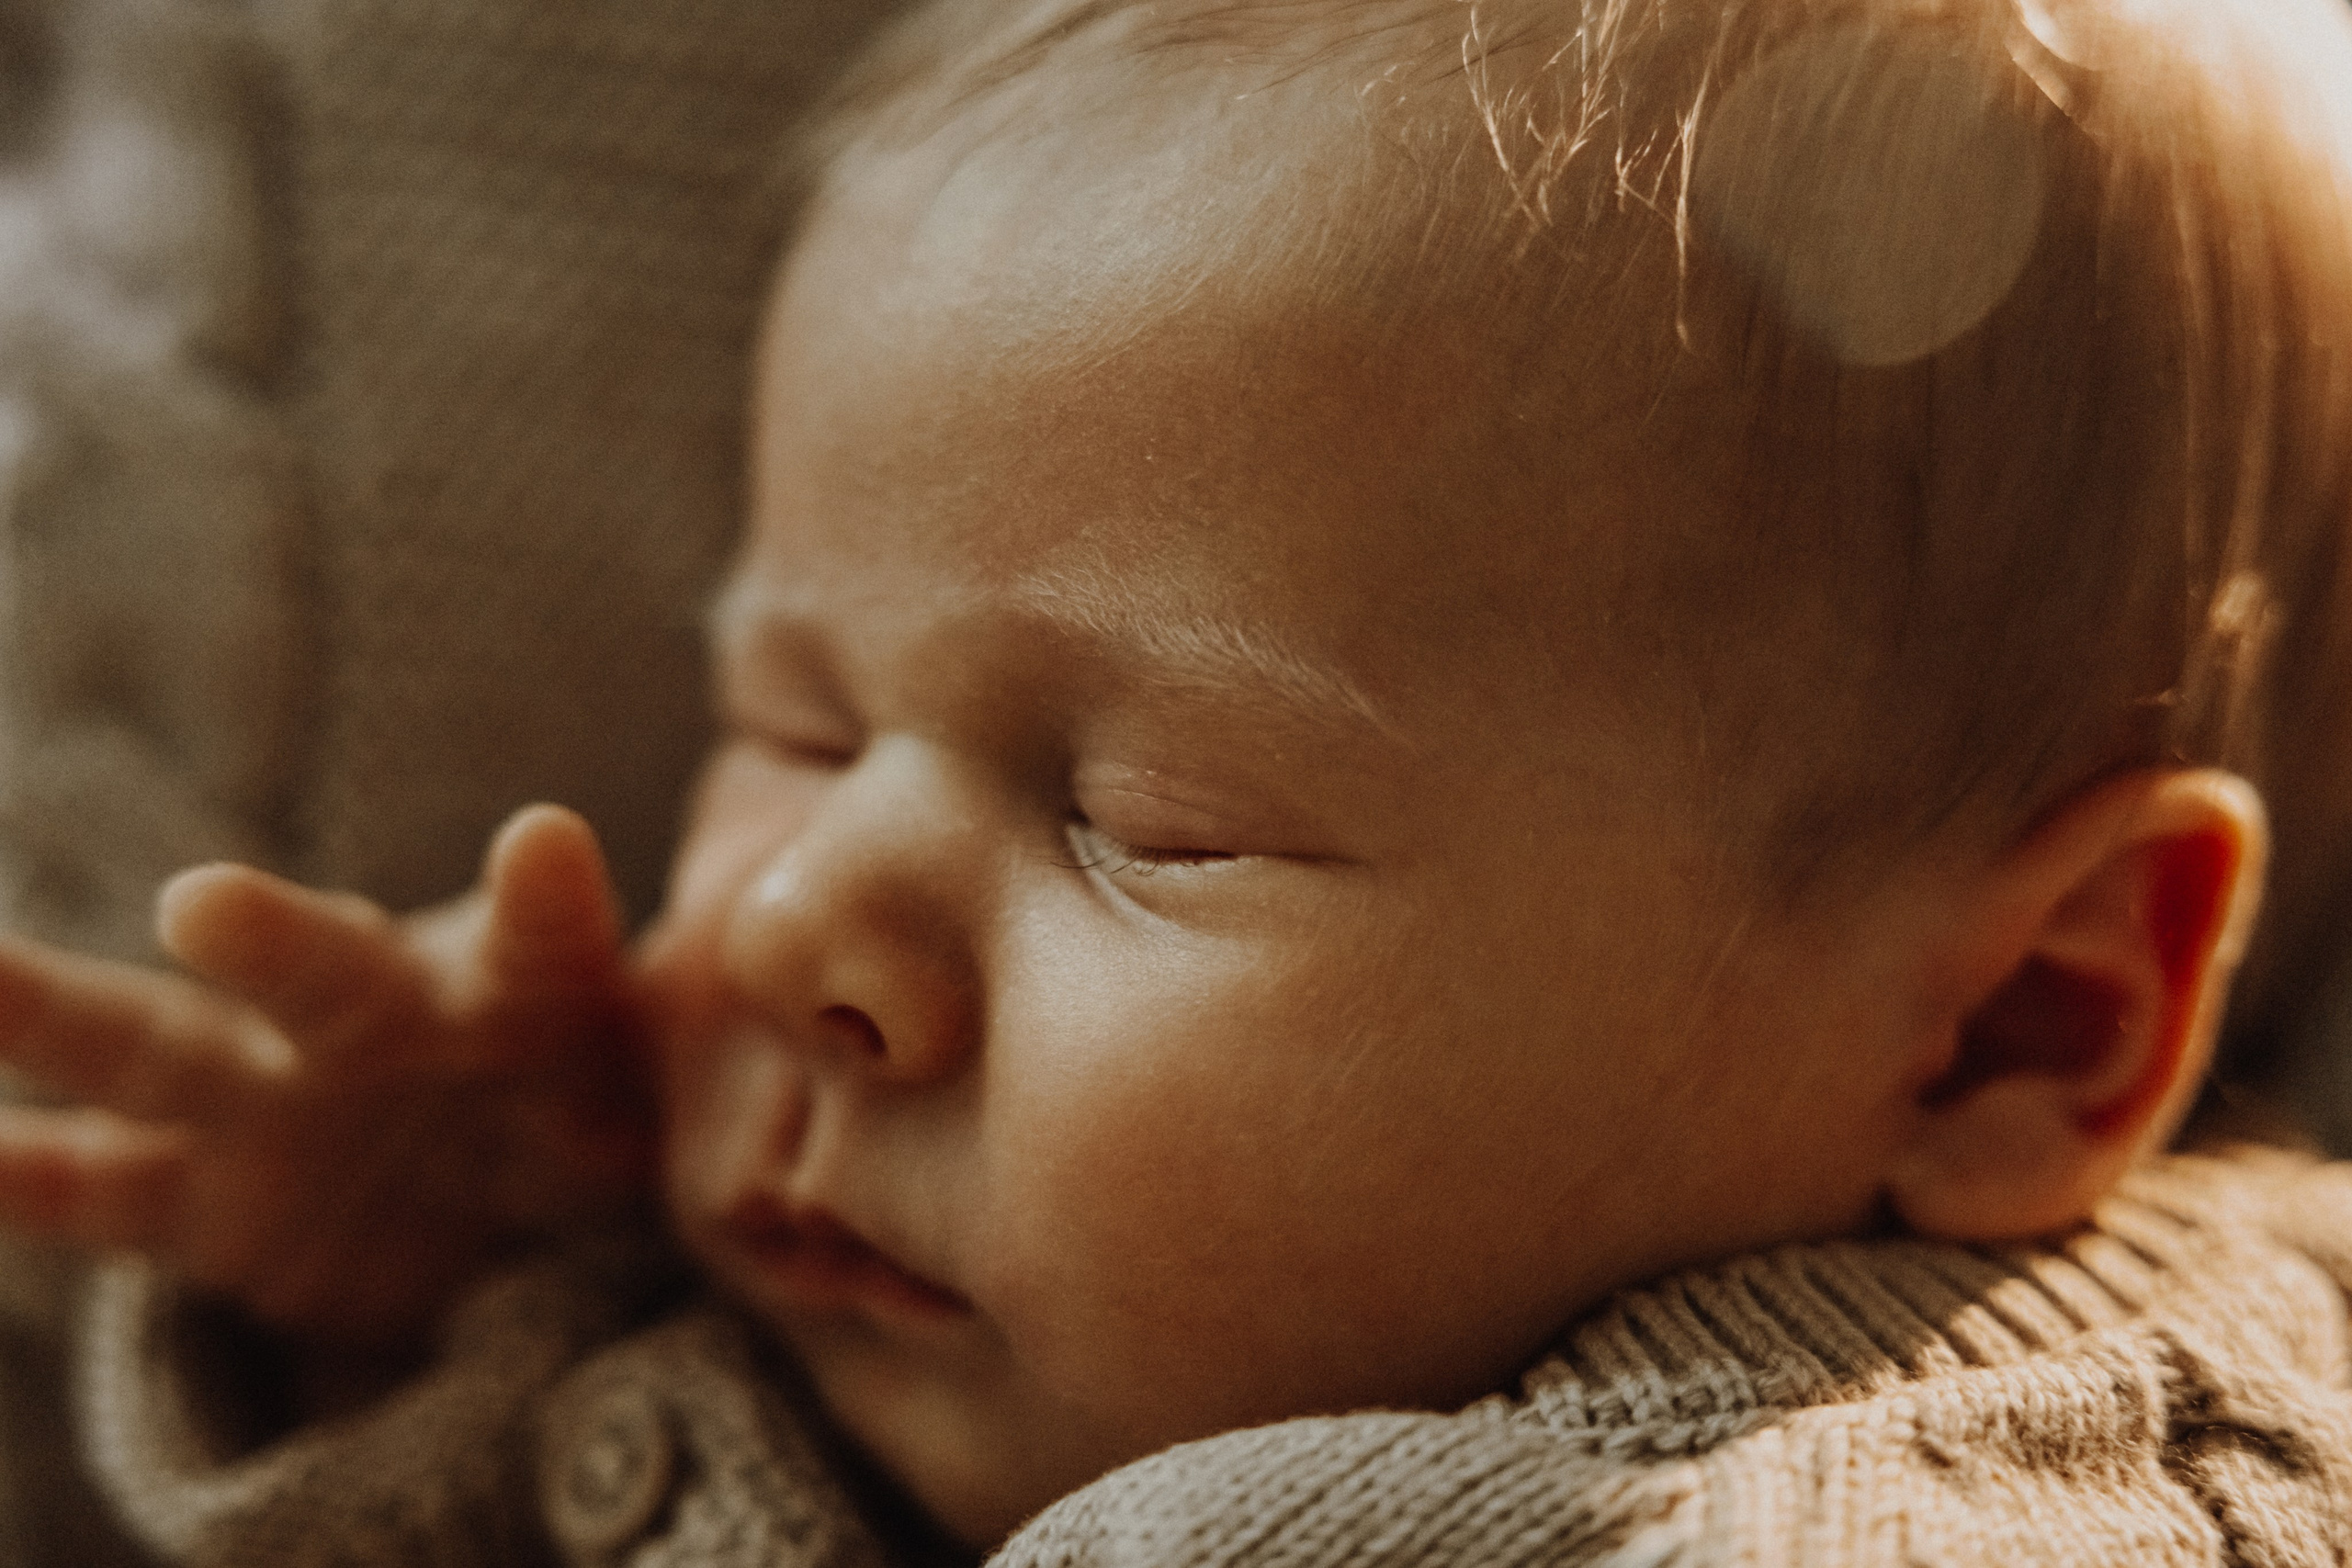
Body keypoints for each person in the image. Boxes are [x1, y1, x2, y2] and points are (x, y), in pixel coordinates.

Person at [7, 0, 2352, 1560]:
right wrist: (425, 1312)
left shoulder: (1913, 1494)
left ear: (2016, 1022)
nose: (803, 920)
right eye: (799, 721)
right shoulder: (926, 1329)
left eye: (1145, 818)